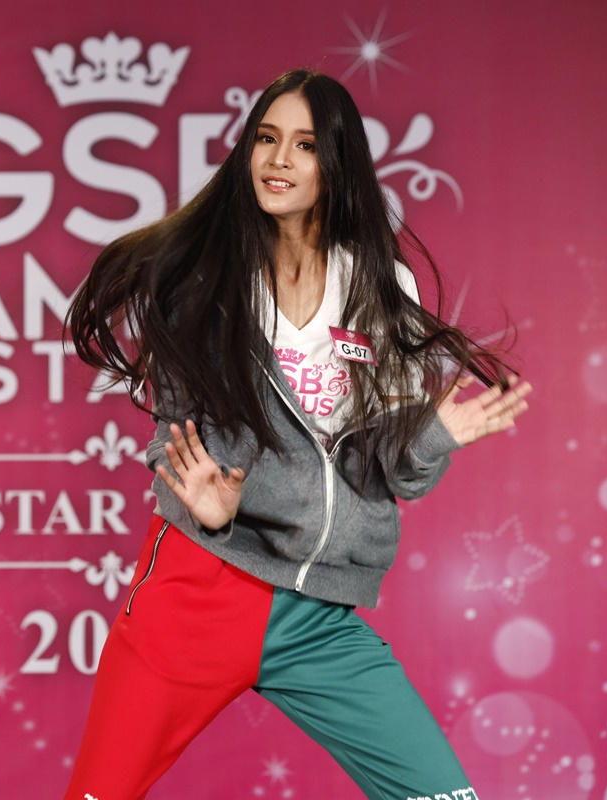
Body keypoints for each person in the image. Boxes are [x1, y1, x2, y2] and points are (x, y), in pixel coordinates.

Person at [62, 69, 531, 800]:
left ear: (336, 163)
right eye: (266, 139)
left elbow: (391, 471)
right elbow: (173, 440)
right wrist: (206, 507)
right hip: (200, 594)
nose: (278, 160)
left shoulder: (380, 289)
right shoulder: (204, 287)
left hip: (318, 614)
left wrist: (433, 434)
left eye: (305, 145)